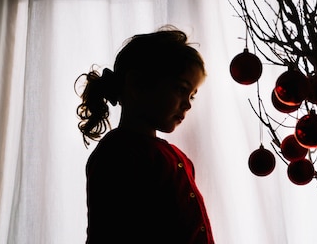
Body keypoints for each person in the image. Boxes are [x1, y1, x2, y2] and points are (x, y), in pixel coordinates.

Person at [76, 26, 215, 244]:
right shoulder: (117, 155)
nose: (187, 104)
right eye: (180, 89)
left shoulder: (178, 158)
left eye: (192, 96)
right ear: (137, 84)